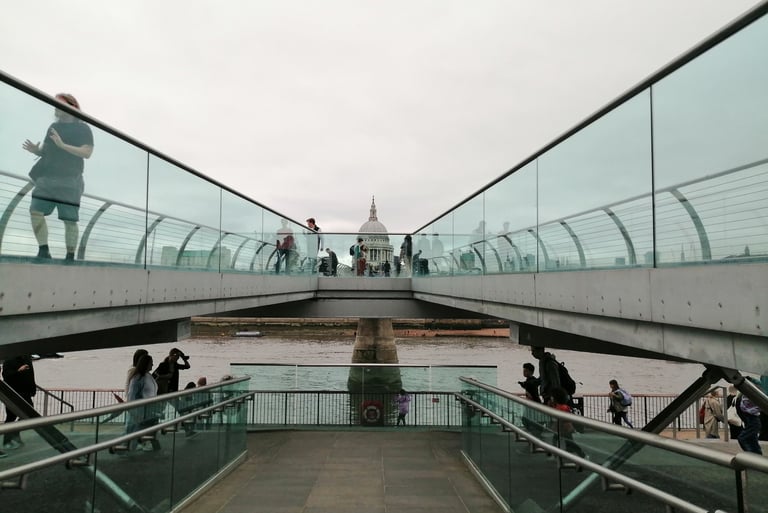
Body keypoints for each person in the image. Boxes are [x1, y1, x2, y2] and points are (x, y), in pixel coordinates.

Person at [23, 93, 94, 261]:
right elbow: (47, 150)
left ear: (72, 106)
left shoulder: (83, 128)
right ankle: (43, 250)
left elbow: (87, 152)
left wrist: (63, 145)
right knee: (35, 211)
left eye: (59, 103)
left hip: (70, 179)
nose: (55, 106)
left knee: (69, 219)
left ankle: (70, 256)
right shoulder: (53, 126)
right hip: (46, 178)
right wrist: (36, 151)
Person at [126, 353, 160, 451]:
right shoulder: (137, 378)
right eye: (151, 363)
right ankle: (130, 449)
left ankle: (132, 448)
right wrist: (134, 412)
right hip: (142, 412)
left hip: (150, 410)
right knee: (139, 432)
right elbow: (131, 396)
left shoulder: (148, 376)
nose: (153, 365)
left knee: (146, 432)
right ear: (145, 364)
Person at [2, 355, 36, 451]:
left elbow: (31, 375)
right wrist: (18, 371)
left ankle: (15, 432)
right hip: (12, 393)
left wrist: (33, 390)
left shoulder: (27, 358)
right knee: (11, 417)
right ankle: (7, 441)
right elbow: (5, 376)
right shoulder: (8, 360)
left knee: (29, 413)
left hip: (26, 392)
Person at [549, 387, 586, 458]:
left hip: (564, 430)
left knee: (570, 443)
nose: (551, 398)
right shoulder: (558, 406)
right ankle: (556, 454)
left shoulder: (563, 407)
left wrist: (570, 428)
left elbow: (566, 420)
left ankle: (582, 455)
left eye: (552, 397)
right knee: (562, 441)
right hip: (560, 429)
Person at [736, 380, 763, 454]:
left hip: (749, 415)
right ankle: (753, 453)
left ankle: (756, 454)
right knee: (749, 436)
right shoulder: (752, 394)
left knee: (753, 437)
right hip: (752, 416)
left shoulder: (744, 395)